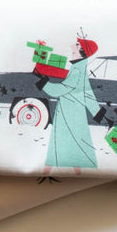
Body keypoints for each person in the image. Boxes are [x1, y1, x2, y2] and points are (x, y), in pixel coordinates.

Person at [42, 37, 107, 171]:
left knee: (61, 145)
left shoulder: (77, 70)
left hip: (68, 114)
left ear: (82, 52)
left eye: (77, 45)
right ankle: (73, 174)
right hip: (74, 113)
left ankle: (46, 173)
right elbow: (88, 94)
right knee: (76, 147)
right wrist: (98, 113)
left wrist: (43, 83)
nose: (72, 46)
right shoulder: (80, 68)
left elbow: (62, 89)